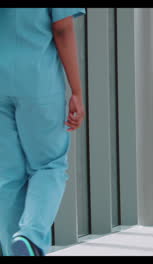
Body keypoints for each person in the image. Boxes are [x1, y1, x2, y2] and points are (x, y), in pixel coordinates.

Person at [0, 8, 86, 256]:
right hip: (37, 81)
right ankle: (30, 235)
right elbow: (62, 29)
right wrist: (77, 92)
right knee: (50, 164)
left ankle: (12, 249)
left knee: (7, 175)